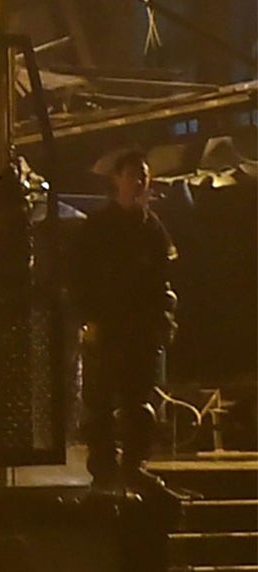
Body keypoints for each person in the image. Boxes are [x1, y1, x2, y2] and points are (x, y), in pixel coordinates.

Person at [71, 148, 175, 490]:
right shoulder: (97, 228)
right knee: (99, 404)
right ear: (117, 180)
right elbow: (80, 278)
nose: (139, 182)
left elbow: (163, 281)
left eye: (143, 176)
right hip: (107, 328)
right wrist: (88, 320)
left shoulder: (152, 229)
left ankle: (133, 465)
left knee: (139, 405)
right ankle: (103, 470)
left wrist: (164, 321)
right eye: (132, 175)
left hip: (140, 331)